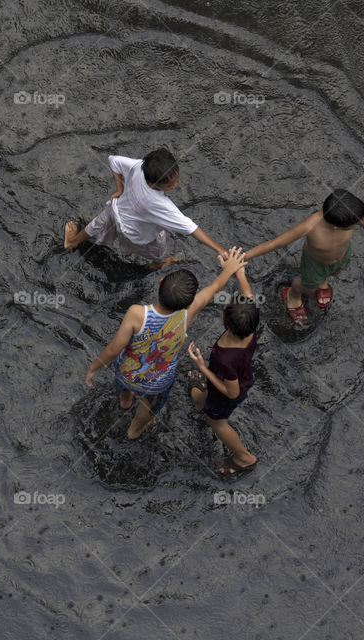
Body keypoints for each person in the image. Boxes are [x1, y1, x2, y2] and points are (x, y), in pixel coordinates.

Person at [84, 248, 247, 439]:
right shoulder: (188, 312)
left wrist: (93, 368)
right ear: (188, 303)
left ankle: (125, 402)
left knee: (125, 390)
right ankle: (134, 430)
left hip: (128, 372)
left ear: (160, 282)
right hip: (158, 382)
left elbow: (113, 349)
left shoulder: (137, 314)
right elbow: (214, 288)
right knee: (150, 405)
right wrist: (228, 270)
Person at [242, 188, 364, 325]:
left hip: (341, 257)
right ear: (337, 227)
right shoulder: (312, 226)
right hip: (315, 263)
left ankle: (322, 281)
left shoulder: (351, 215)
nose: (359, 223)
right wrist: (243, 257)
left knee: (335, 272)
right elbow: (275, 244)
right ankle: (292, 295)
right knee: (307, 286)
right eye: (355, 224)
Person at [64, 148, 225, 269]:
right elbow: (191, 228)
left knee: (94, 226)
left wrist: (119, 189)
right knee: (158, 250)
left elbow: (114, 161)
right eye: (170, 184)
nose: (175, 185)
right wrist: (218, 249)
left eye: (176, 179)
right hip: (137, 237)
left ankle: (72, 241)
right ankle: (157, 264)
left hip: (116, 213)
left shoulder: (139, 167)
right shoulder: (160, 204)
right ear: (152, 183)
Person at [186, 262, 260, 476]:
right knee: (205, 398)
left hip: (227, 393)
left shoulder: (225, 357)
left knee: (215, 422)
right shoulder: (250, 327)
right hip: (242, 376)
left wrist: (203, 368)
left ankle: (244, 458)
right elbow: (247, 295)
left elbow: (232, 392)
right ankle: (200, 400)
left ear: (225, 321)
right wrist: (240, 272)